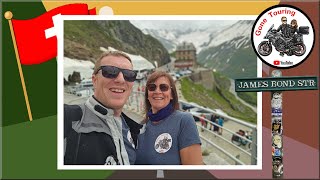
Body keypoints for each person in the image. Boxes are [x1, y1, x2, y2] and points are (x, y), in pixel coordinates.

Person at [64, 51, 142, 165]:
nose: (121, 79)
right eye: (110, 72)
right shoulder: (68, 118)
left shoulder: (134, 129)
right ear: (94, 80)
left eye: (129, 74)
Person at [135, 71, 203, 165]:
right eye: (152, 87)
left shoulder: (184, 121)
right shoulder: (140, 127)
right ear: (147, 94)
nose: (157, 91)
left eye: (163, 87)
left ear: (171, 95)